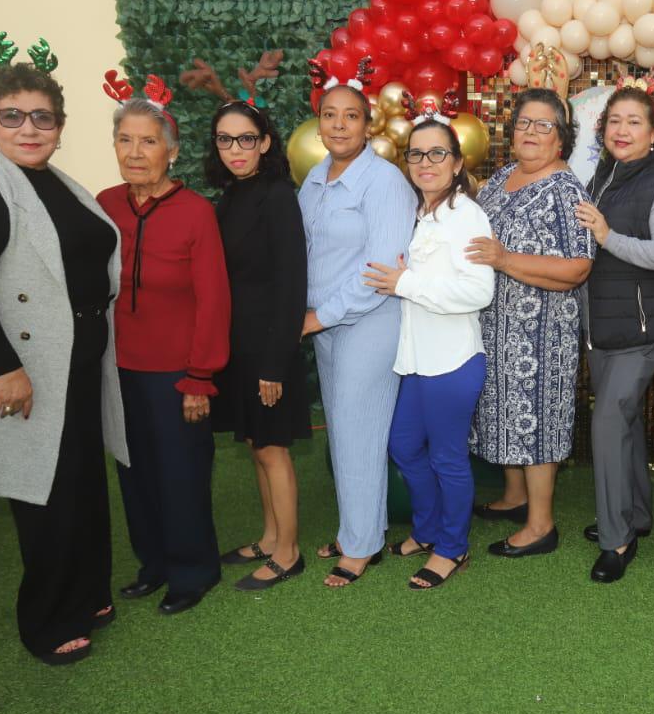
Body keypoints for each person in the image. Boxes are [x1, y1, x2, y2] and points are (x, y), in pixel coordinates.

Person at [0, 51, 127, 665]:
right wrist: (4, 368)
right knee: (45, 494)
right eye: (12, 116)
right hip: (31, 368)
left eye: (42, 118)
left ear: (61, 124)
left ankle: (89, 592)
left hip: (80, 356)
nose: (28, 129)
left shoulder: (59, 185)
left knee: (82, 484)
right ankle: (45, 620)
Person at [97, 75, 231, 616]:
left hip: (177, 373)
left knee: (181, 475)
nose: (135, 152)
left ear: (170, 152)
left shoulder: (196, 211)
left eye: (148, 141)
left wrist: (199, 377)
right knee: (134, 473)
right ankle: (152, 563)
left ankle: (193, 570)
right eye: (125, 140)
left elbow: (214, 300)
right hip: (117, 369)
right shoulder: (103, 204)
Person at [364, 119, 495, 588]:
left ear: (457, 163)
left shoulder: (468, 217)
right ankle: (427, 530)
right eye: (416, 154)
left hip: (453, 361)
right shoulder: (418, 214)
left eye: (437, 153)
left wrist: (407, 282)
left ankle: (453, 547)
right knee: (403, 446)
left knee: (447, 458)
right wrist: (406, 278)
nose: (426, 163)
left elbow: (479, 291)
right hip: (417, 359)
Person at [299, 76, 416, 588]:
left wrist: (318, 317)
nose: (339, 124)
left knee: (359, 433)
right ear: (319, 123)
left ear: (368, 125)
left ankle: (362, 546)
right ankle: (357, 530)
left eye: (350, 115)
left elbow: (382, 268)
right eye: (330, 114)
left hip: (367, 322)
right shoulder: (314, 180)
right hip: (324, 324)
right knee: (345, 433)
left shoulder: (386, 181)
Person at [468, 88, 594, 557]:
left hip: (541, 334)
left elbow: (578, 267)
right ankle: (516, 497)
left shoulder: (565, 189)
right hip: (498, 328)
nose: (531, 132)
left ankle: (541, 526)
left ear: (561, 139)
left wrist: (503, 259)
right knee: (505, 413)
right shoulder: (502, 177)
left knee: (536, 421)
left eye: (544, 125)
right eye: (524, 123)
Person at [574, 87, 654, 583]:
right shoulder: (601, 176)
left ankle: (617, 538)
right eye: (614, 121)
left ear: (653, 133)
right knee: (624, 423)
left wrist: (607, 237)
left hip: (641, 332)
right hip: (601, 330)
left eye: (634, 122)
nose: (622, 130)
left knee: (606, 423)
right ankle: (637, 513)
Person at [205, 101, 310, 591]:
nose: (235, 149)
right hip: (238, 347)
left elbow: (292, 285)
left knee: (273, 448)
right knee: (255, 445)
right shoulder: (231, 196)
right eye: (225, 140)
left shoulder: (277, 196)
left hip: (269, 347)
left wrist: (274, 364)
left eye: (245, 138)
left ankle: (288, 552)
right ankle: (270, 537)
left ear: (265, 142)